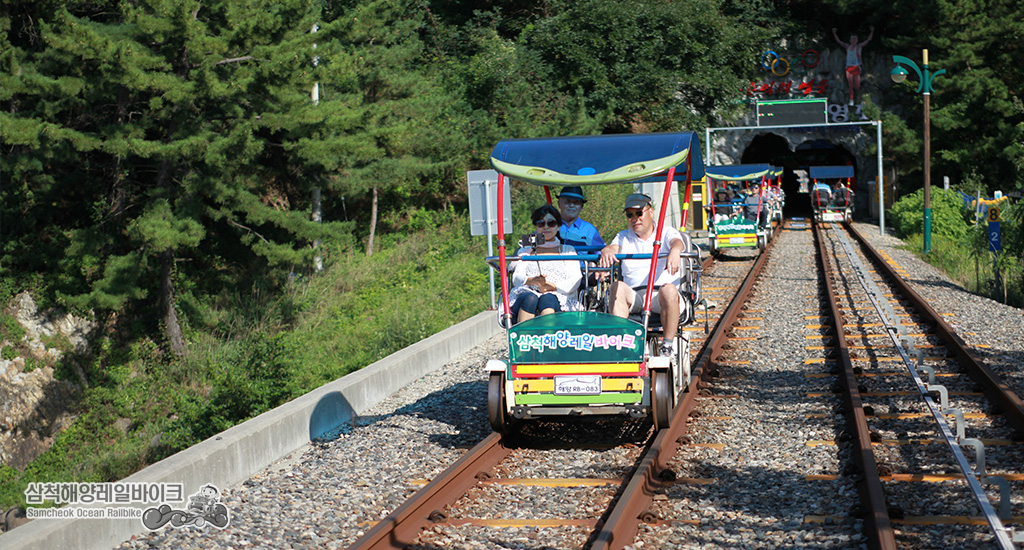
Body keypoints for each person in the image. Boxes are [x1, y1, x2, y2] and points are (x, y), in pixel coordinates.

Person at [598, 193, 689, 357]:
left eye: (639, 213)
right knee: (616, 287)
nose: (635, 219)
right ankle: (623, 344)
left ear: (650, 212)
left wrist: (675, 251)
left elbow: (677, 242)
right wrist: (607, 252)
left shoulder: (666, 232)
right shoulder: (624, 236)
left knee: (668, 290)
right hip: (636, 296)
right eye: (630, 215)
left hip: (661, 296)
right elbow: (614, 248)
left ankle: (667, 345)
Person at [505, 204, 583, 325]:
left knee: (548, 299)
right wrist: (532, 280)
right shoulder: (527, 250)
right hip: (529, 291)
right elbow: (517, 277)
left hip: (559, 294)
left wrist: (551, 286)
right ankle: (524, 338)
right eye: (541, 224)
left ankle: (547, 337)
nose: (546, 227)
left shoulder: (568, 250)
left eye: (551, 223)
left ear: (558, 226)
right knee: (530, 298)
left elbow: (575, 279)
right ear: (536, 227)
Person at [833, 25, 875, 104]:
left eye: (855, 39)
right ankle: (851, 99)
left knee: (857, 86)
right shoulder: (847, 46)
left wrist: (872, 31)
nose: (853, 40)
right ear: (850, 40)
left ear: (857, 40)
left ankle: (860, 93)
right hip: (849, 67)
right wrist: (834, 33)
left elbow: (868, 40)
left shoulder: (859, 46)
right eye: (852, 39)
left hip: (856, 67)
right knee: (850, 85)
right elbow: (838, 41)